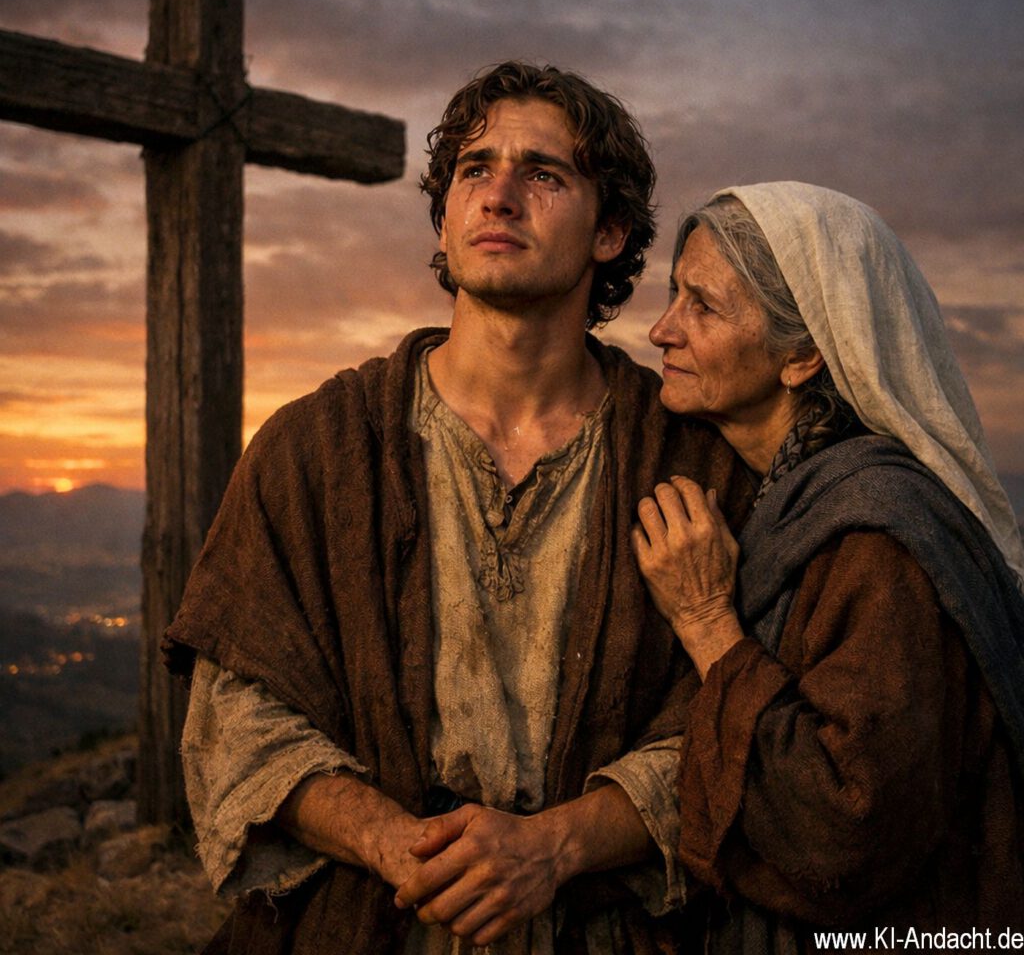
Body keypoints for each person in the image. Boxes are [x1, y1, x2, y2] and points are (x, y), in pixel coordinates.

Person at [163, 61, 750, 955]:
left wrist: (556, 845)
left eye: (543, 175)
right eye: (475, 169)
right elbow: (235, 715)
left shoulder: (691, 464)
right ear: (444, 213)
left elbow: (731, 721)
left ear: (611, 231)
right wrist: (396, 846)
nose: (500, 196)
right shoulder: (317, 447)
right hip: (367, 926)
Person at [633, 181, 1024, 953]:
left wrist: (709, 623)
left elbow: (845, 830)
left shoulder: (880, 540)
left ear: (803, 354)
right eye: (672, 296)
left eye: (702, 307)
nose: (659, 330)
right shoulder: (780, 494)